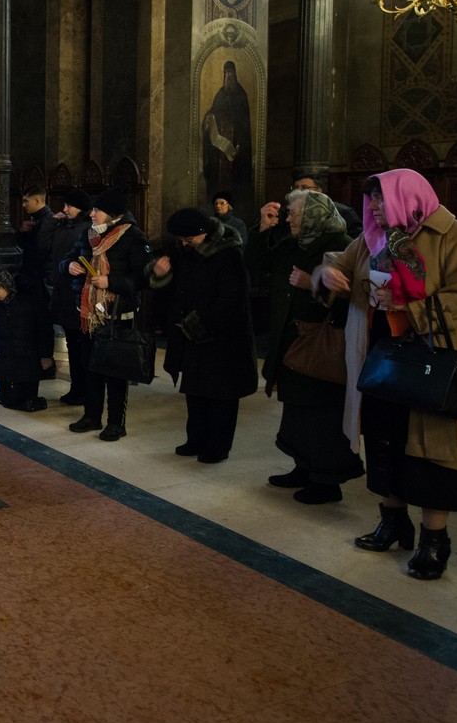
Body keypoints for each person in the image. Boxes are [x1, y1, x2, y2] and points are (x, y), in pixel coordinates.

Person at [315, 168, 457, 581]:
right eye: (371, 200)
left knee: (434, 455)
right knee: (385, 441)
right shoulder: (370, 239)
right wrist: (326, 274)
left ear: (407, 196)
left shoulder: (455, 238)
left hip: (433, 364)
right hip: (383, 362)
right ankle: (392, 521)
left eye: (381, 198)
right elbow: (336, 262)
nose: (373, 207)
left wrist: (411, 308)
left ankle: (434, 541)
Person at [248, 189, 362, 502]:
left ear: (313, 216)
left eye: (293, 214)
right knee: (297, 410)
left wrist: (312, 280)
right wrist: (262, 228)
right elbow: (256, 265)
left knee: (322, 415)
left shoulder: (341, 247)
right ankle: (303, 465)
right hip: (292, 341)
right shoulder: (292, 244)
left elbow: (352, 299)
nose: (288, 218)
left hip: (322, 345)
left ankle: (326, 481)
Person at [147, 208, 257, 464]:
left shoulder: (228, 254)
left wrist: (198, 323)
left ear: (203, 233)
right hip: (191, 336)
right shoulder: (184, 251)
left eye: (188, 239)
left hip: (222, 338)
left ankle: (217, 446)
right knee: (195, 390)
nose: (183, 243)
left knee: (220, 394)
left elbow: (231, 300)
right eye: (181, 239)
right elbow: (172, 284)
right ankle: (195, 439)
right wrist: (159, 274)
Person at [61, 187, 151, 441]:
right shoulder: (88, 235)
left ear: (112, 214)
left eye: (97, 210)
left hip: (117, 314)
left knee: (115, 370)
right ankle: (91, 416)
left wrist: (110, 282)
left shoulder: (133, 237)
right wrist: (69, 265)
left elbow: (143, 277)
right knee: (91, 366)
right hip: (89, 314)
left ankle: (115, 423)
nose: (92, 214)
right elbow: (65, 259)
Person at [0, 264, 48, 412]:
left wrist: (45, 355)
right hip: (3, 357)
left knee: (28, 398)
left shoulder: (27, 300)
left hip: (27, 357)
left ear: (7, 285)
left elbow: (42, 328)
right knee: (8, 400)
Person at [50, 189, 92, 405]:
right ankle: (77, 388)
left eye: (69, 206)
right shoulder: (65, 226)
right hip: (64, 291)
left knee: (82, 347)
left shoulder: (86, 230)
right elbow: (61, 257)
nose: (64, 209)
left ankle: (84, 390)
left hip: (78, 295)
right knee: (73, 345)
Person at [17, 184, 59, 377]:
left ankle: (46, 364)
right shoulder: (37, 221)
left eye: (26, 201)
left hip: (39, 282)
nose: (23, 204)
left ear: (38, 201)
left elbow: (39, 253)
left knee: (42, 324)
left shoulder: (47, 221)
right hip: (34, 280)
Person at [202, 60, 253, 205]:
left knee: (235, 182)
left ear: (235, 74)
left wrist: (240, 145)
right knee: (218, 181)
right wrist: (207, 120)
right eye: (225, 74)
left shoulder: (241, 95)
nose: (228, 77)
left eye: (230, 73)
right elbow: (213, 113)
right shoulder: (220, 95)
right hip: (219, 154)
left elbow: (244, 125)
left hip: (236, 148)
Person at [293, 172, 363, 237]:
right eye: (296, 187)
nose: (298, 191)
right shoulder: (289, 213)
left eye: (304, 187)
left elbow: (357, 242)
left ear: (319, 190)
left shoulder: (343, 212)